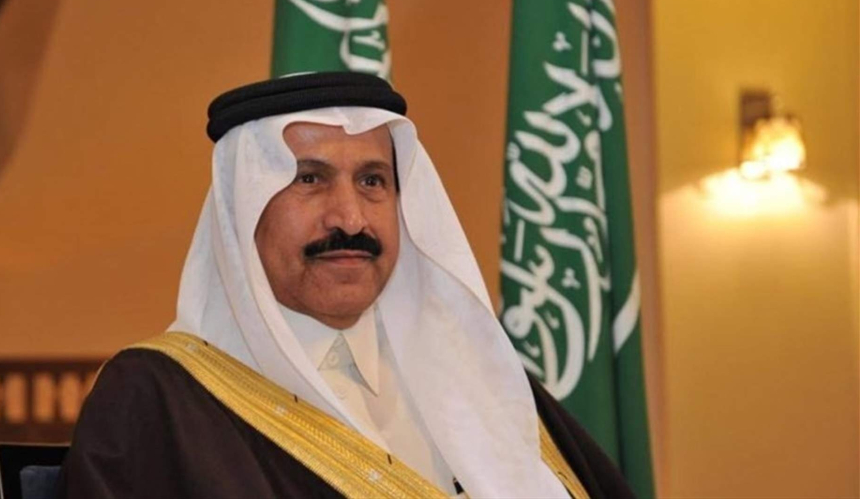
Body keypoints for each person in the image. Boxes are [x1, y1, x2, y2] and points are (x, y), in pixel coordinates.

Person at [58, 72, 635, 499]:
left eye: (372, 181)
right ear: (243, 209)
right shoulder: (160, 399)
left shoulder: (482, 375)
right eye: (309, 179)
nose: (351, 219)